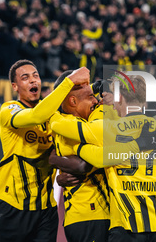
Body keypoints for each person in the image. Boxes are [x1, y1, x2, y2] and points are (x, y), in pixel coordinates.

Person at [49, 75, 156, 242]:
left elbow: (57, 125)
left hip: (127, 224)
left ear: (120, 98)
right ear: (145, 102)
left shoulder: (108, 129)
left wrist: (75, 148)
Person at [0, 60, 89, 242]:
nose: (33, 81)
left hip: (46, 209)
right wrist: (69, 81)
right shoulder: (9, 110)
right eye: (25, 78)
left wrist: (62, 174)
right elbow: (35, 116)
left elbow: (61, 152)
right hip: (13, 205)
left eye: (36, 76)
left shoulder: (54, 117)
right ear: (15, 86)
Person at [49, 71, 109, 242]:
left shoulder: (72, 124)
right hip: (90, 215)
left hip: (89, 215)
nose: (96, 101)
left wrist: (54, 159)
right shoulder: (70, 126)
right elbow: (82, 165)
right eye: (90, 96)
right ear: (73, 101)